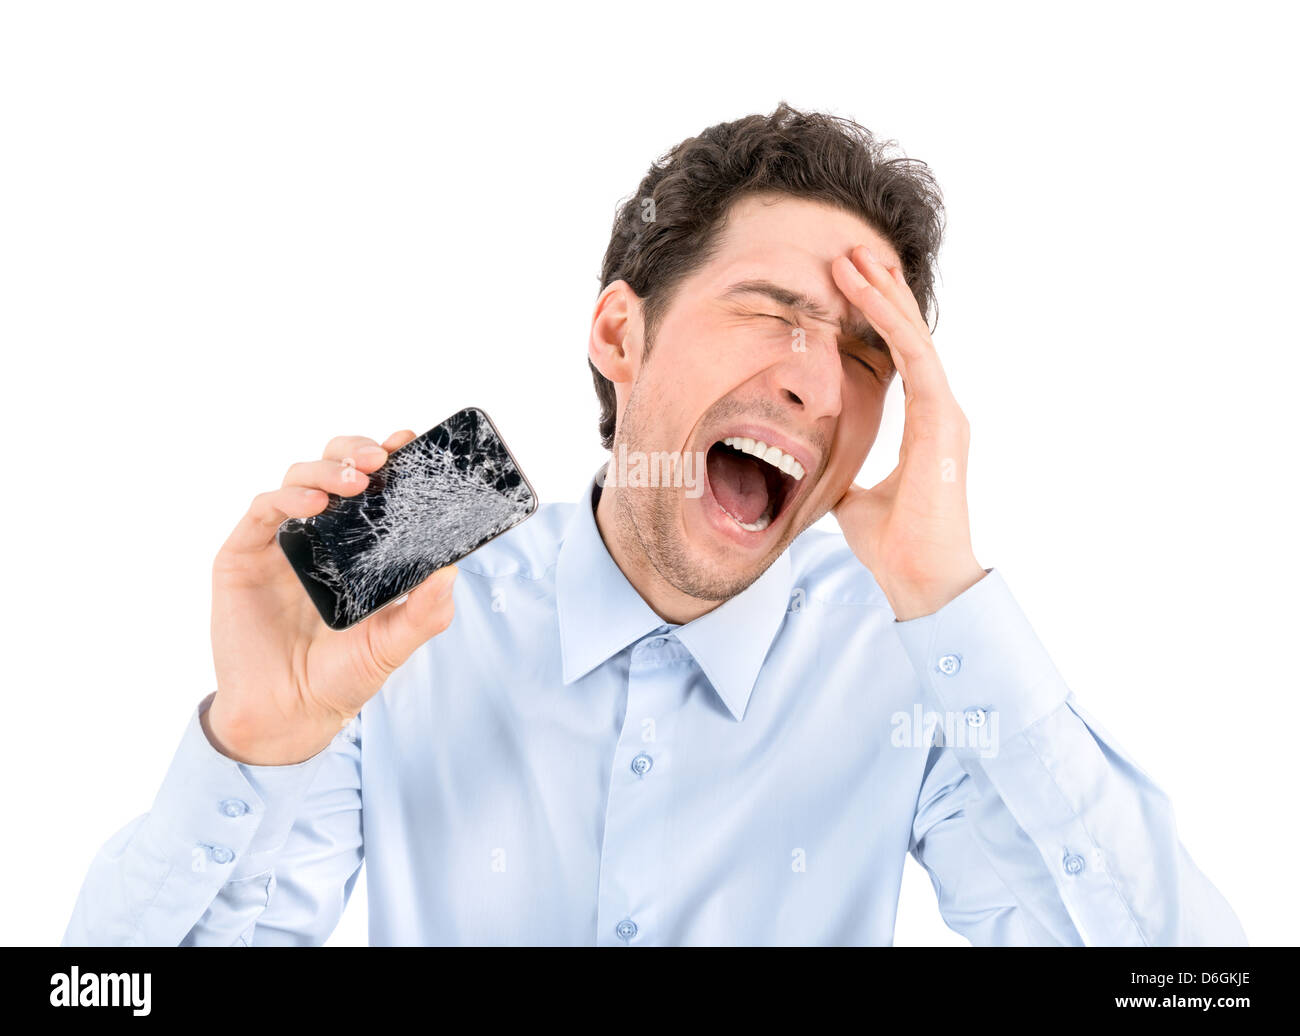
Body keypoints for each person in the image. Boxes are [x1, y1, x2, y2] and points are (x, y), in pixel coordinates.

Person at [62, 102, 1246, 946]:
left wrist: (952, 599)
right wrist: (254, 746)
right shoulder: (414, 606)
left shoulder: (911, 665)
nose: (816, 383)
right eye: (771, 311)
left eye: (864, 352)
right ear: (619, 335)